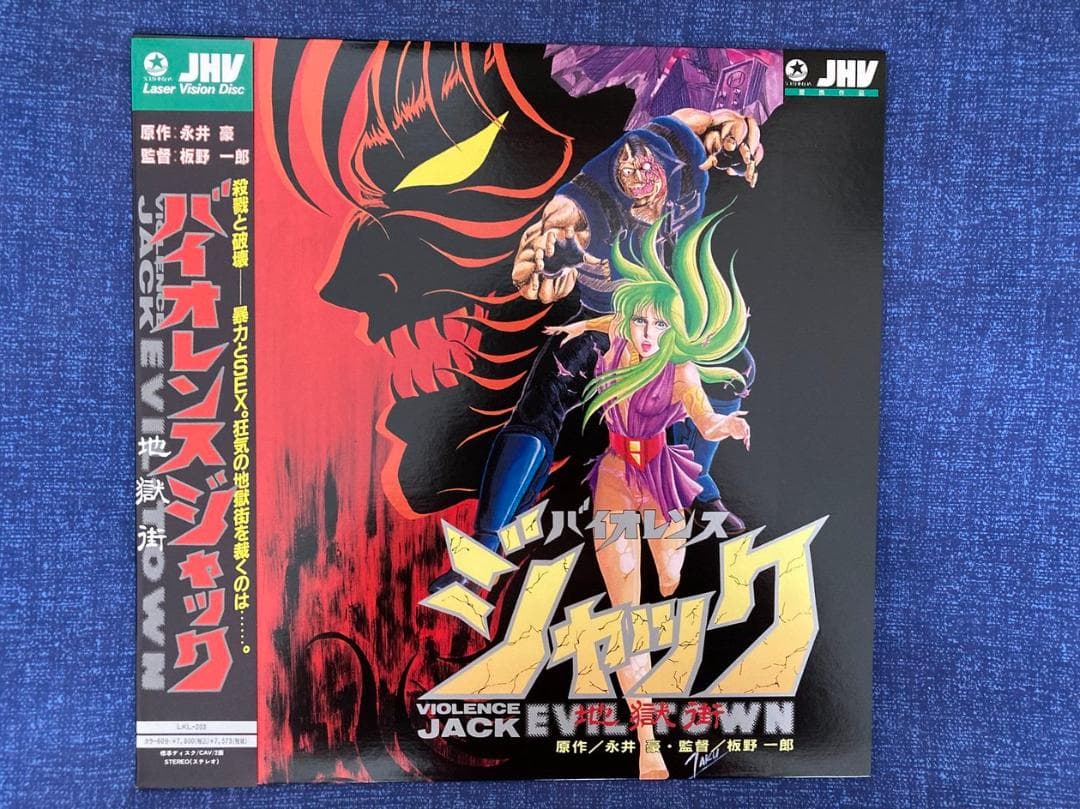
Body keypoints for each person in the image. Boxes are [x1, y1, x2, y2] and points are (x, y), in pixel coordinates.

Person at [429, 109, 762, 594]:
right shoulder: (581, 209)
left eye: (646, 173)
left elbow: (712, 122)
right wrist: (545, 263)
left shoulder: (677, 147)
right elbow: (538, 260)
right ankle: (486, 543)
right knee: (543, 401)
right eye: (629, 177)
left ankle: (699, 486)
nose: (639, 184)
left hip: (666, 319)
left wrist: (737, 133)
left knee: (733, 367)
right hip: (606, 326)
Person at [543, 214, 751, 779]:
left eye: (659, 324)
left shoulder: (679, 367)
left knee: (670, 577)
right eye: (641, 321)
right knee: (628, 615)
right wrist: (574, 328)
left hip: (661, 479)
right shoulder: (617, 338)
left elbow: (704, 419)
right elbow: (612, 315)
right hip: (614, 478)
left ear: (673, 327)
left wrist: (726, 425)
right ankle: (647, 740)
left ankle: (673, 575)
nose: (647, 333)